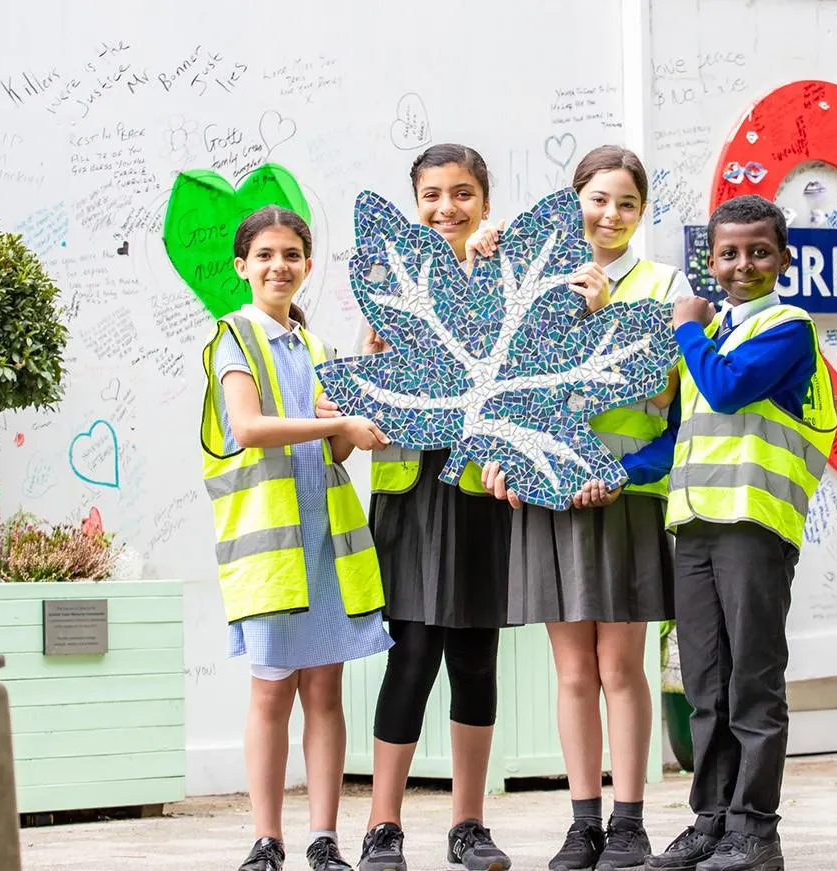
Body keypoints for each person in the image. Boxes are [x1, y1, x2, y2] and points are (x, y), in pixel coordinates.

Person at [347, 143, 603, 871]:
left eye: (462, 194)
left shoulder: (503, 278)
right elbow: (364, 393)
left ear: (485, 203)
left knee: (475, 658)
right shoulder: (388, 289)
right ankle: (382, 827)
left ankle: (468, 824)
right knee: (414, 654)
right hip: (412, 497)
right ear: (414, 203)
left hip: (484, 494)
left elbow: (552, 348)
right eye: (431, 196)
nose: (446, 209)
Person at [479, 145, 689, 871]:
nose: (611, 215)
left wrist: (607, 319)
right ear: (575, 201)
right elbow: (502, 382)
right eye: (598, 199)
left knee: (621, 664)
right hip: (549, 493)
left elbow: (664, 400)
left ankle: (629, 822)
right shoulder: (536, 278)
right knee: (572, 670)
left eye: (627, 203)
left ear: (642, 211)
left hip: (624, 495)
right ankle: (583, 822)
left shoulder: (664, 285)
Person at [199, 205, 396, 871]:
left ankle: (322, 839)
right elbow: (249, 428)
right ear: (242, 266)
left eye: (291, 254)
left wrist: (357, 418)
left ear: (307, 266)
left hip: (322, 546)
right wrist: (324, 425)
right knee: (270, 692)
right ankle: (265, 838)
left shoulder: (313, 348)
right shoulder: (234, 337)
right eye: (265, 255)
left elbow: (334, 451)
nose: (279, 266)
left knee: (323, 693)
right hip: (270, 552)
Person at [645, 195, 837, 871]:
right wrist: (608, 472)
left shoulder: (788, 329)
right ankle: (711, 818)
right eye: (729, 252)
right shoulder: (711, 338)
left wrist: (688, 330)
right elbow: (681, 437)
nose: (743, 264)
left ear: (783, 259)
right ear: (712, 259)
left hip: (753, 527)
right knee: (706, 682)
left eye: (759, 251)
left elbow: (727, 390)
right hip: (695, 526)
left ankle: (755, 829)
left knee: (753, 679)